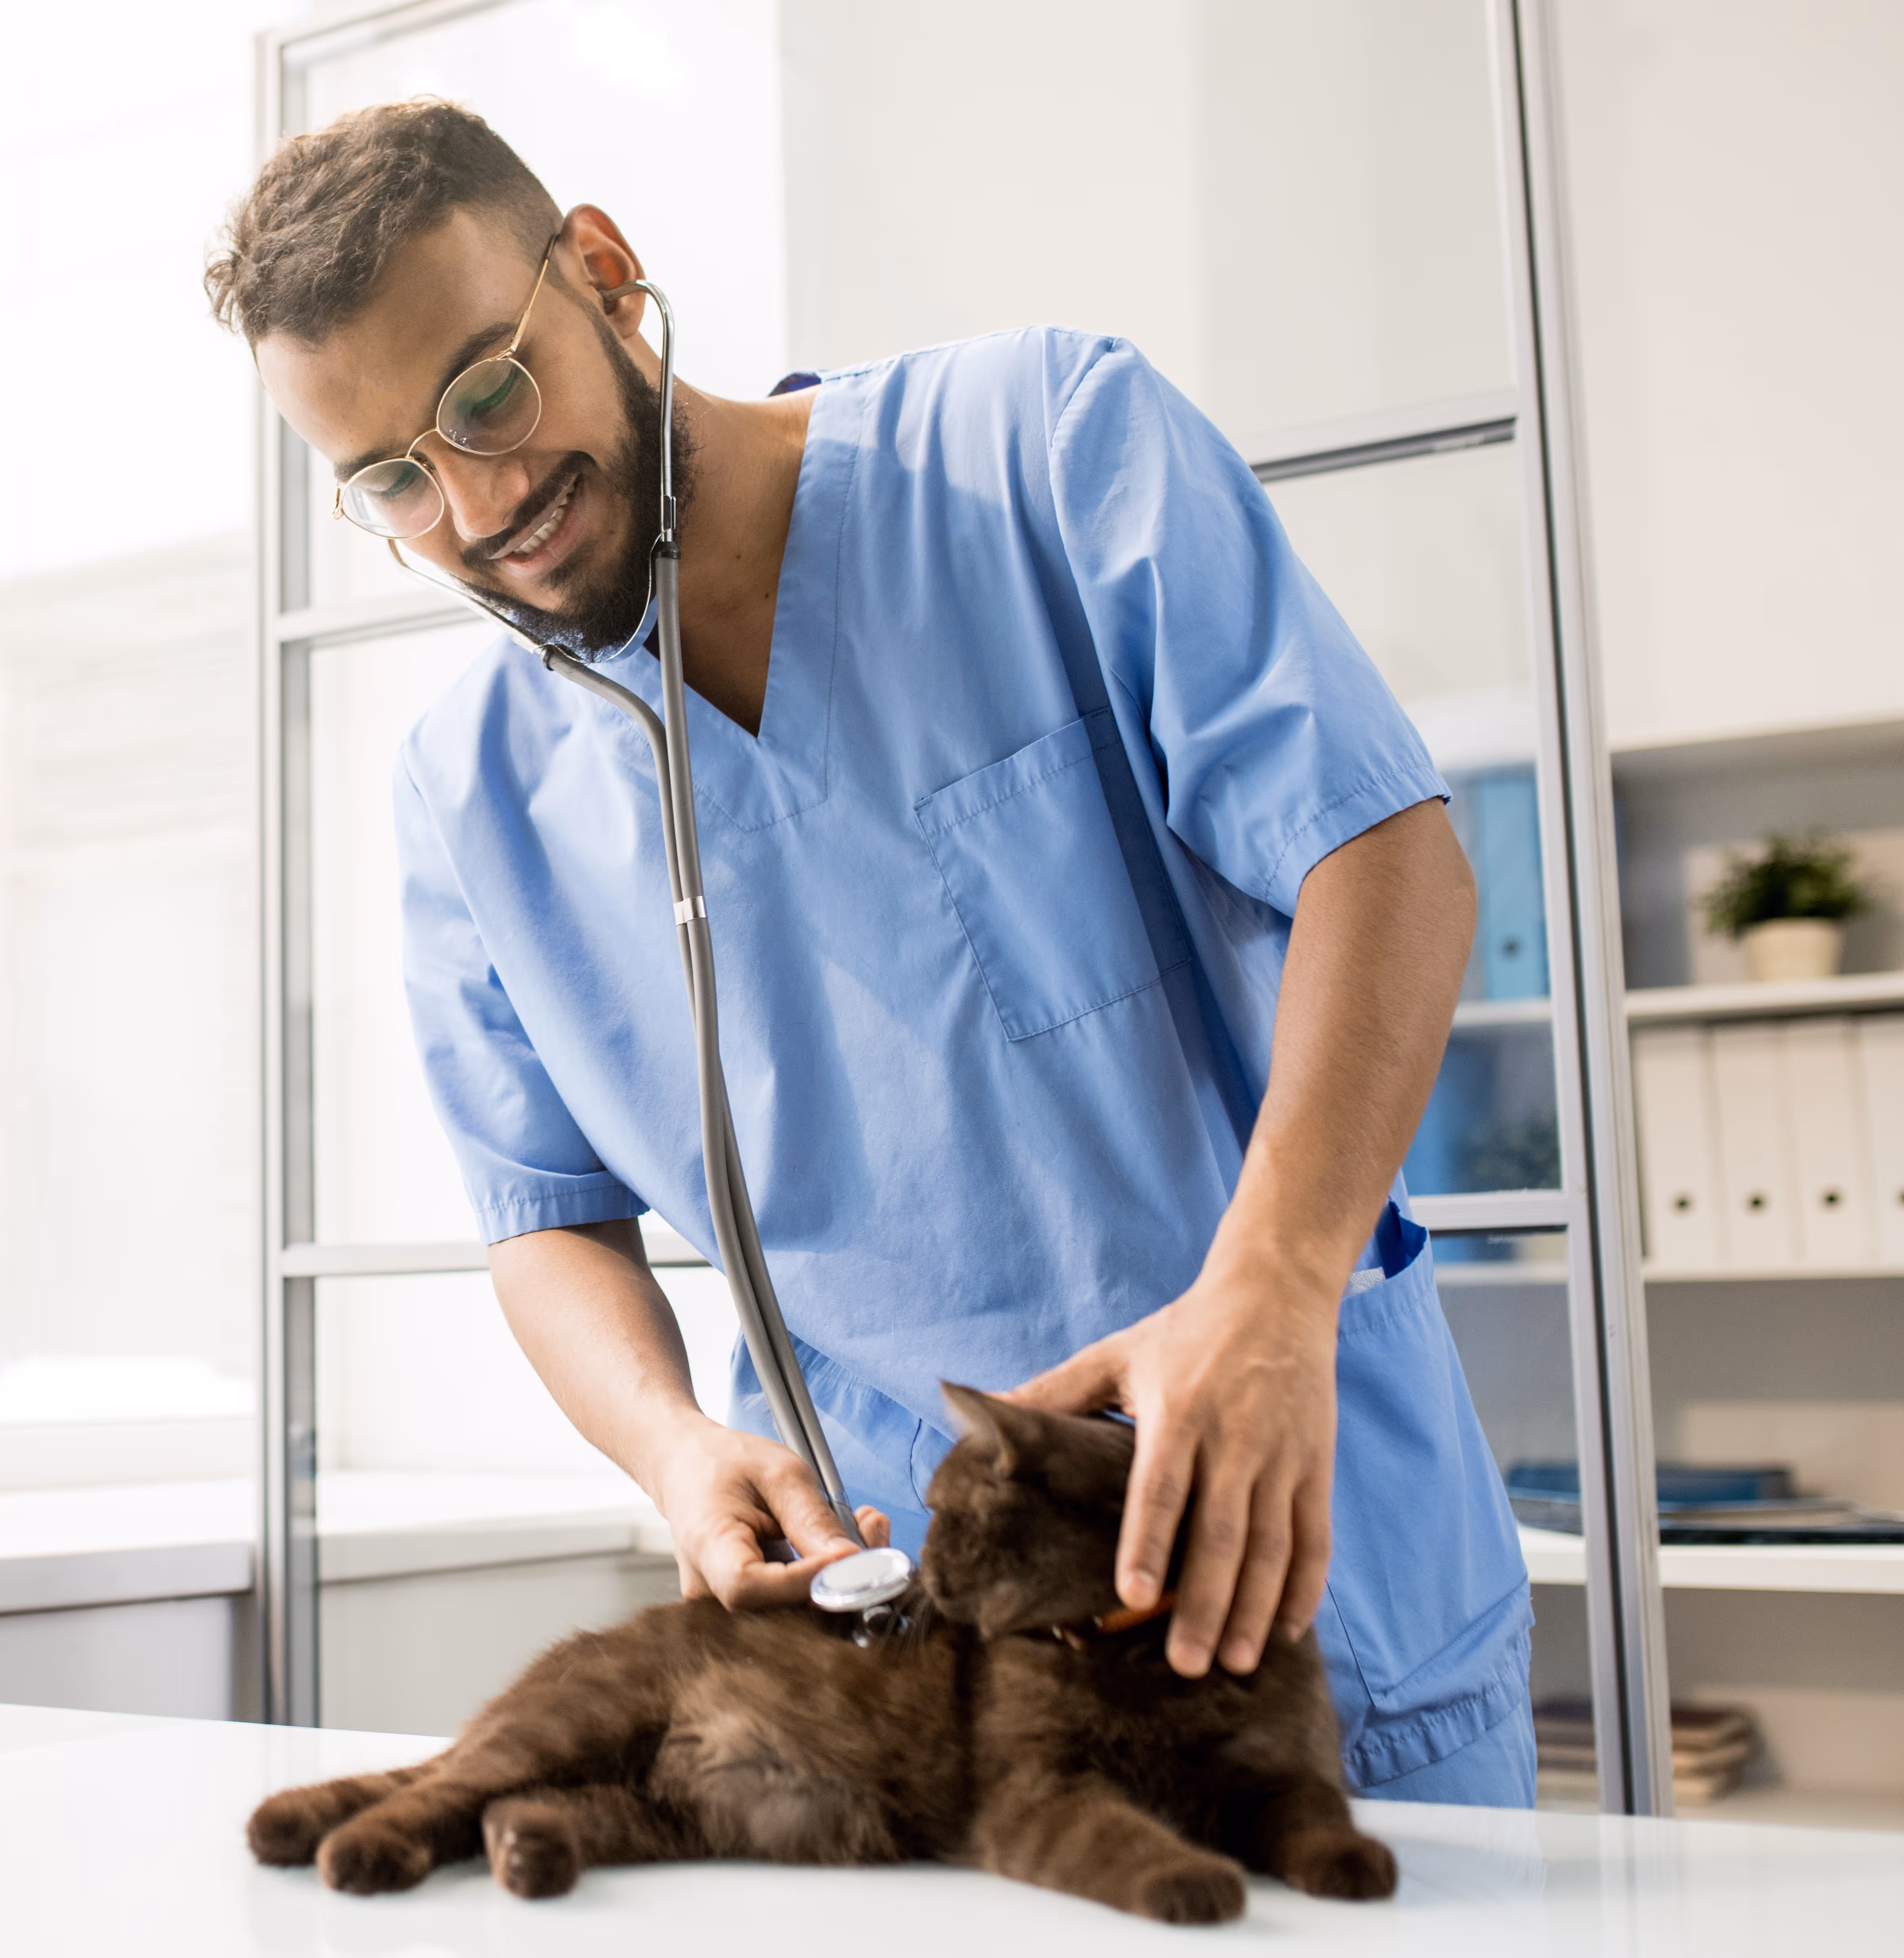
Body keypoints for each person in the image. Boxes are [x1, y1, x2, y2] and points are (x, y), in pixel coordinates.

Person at [209, 98, 1534, 1804]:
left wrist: (1272, 1289)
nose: (478, 501)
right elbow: (544, 1221)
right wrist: (678, 1446)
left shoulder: (1045, 450)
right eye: (390, 478)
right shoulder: (473, 800)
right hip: (928, 1690)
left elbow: (1388, 854)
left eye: (488, 391)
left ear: (605, 275)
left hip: (1314, 1602)